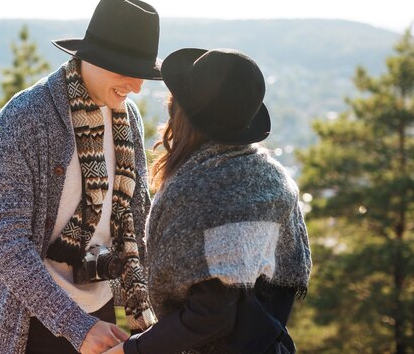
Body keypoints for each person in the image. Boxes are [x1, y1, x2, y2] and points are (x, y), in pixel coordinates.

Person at [0, 0, 160, 354]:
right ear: (94, 58)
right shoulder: (27, 118)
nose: (137, 87)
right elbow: (3, 241)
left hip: (100, 303)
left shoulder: (128, 118)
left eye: (141, 74)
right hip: (37, 318)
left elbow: (136, 217)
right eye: (127, 71)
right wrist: (75, 326)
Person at [105, 48, 312, 354]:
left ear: (182, 116)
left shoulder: (202, 194)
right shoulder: (274, 179)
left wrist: (131, 350)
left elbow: (212, 315)